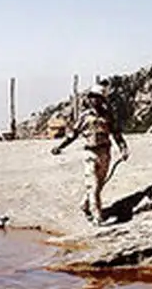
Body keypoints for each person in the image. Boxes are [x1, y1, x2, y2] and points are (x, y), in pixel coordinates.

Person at [51, 82, 128, 225]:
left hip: (105, 152)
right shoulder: (84, 116)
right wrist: (60, 147)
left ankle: (85, 204)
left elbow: (116, 133)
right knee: (93, 185)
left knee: (98, 184)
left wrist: (123, 148)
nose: (94, 100)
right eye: (92, 97)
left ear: (102, 99)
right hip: (90, 153)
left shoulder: (107, 116)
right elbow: (72, 134)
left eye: (98, 97)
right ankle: (97, 216)